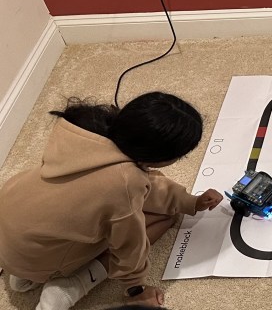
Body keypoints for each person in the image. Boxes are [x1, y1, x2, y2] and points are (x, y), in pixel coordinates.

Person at [0, 92, 223, 309]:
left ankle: (23, 272)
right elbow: (130, 246)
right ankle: (71, 286)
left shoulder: (84, 133)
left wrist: (190, 202)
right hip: (39, 260)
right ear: (160, 157)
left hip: (11, 239)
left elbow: (146, 184)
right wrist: (136, 289)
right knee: (164, 218)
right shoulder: (125, 182)